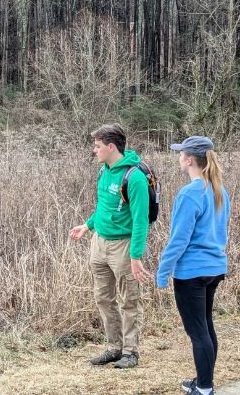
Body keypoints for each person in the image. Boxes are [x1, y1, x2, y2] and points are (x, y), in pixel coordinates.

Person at [69, 123, 151, 369]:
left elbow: (140, 220)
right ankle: (114, 348)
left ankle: (130, 352)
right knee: (103, 298)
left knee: (128, 300)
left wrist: (136, 255)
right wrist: (87, 226)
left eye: (97, 146)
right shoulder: (104, 171)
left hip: (123, 247)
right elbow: (104, 208)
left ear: (111, 147)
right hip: (99, 243)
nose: (94, 151)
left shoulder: (134, 177)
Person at [156, 136, 230, 395]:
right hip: (214, 268)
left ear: (189, 160)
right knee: (206, 326)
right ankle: (202, 380)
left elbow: (179, 238)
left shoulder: (190, 193)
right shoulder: (219, 190)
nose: (178, 157)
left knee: (198, 331)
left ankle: (205, 388)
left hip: (192, 272)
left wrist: (163, 272)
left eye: (180, 153)